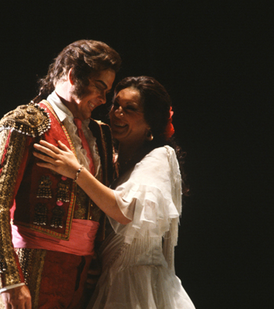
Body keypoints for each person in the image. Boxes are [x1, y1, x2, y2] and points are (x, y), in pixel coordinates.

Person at [0, 40, 122, 309]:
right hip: (30, 268)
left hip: (81, 276)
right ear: (72, 75)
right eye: (99, 87)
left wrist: (98, 259)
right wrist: (7, 279)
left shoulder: (100, 134)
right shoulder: (23, 122)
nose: (103, 100)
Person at [34, 76, 196, 308]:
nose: (117, 113)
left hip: (138, 282)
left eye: (130, 109)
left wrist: (76, 171)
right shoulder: (111, 160)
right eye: (116, 106)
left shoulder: (160, 157)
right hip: (109, 280)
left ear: (151, 121)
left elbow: (126, 211)